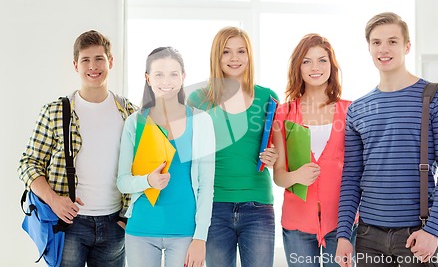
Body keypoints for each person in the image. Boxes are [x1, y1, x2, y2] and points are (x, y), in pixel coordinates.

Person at [335, 12, 438, 267]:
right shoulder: (358, 108)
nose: (384, 49)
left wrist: (434, 231)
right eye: (376, 42)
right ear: (369, 48)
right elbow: (351, 177)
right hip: (368, 236)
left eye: (392, 41)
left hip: (417, 234)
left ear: (407, 46)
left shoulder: (435, 97)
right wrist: (343, 235)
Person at [18, 30, 137, 267]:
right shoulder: (55, 111)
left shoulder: (131, 113)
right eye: (85, 60)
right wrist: (54, 200)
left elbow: (142, 168)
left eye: (99, 58)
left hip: (115, 225)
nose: (93, 66)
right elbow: (28, 164)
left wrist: (126, 219)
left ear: (110, 61)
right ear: (76, 65)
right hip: (69, 225)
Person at [187, 26, 279, 267]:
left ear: (249, 56)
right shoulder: (198, 100)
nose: (234, 58)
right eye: (226, 52)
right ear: (216, 57)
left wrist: (274, 156)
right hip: (213, 207)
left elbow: (280, 153)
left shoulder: (267, 98)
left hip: (257, 205)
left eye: (241, 51)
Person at [116, 47, 215, 267]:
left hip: (185, 232)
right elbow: (122, 182)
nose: (166, 81)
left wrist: (200, 237)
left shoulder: (201, 121)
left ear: (183, 78)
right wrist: (147, 181)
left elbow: (206, 186)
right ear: (148, 78)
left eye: (173, 74)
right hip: (141, 230)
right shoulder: (134, 122)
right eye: (159, 74)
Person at [272, 33, 356, 267]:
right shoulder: (284, 113)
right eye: (306, 61)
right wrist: (296, 176)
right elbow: (278, 175)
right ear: (298, 67)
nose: (315, 67)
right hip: (297, 222)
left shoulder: (350, 111)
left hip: (342, 224)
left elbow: (360, 171)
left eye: (322, 60)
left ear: (332, 66)